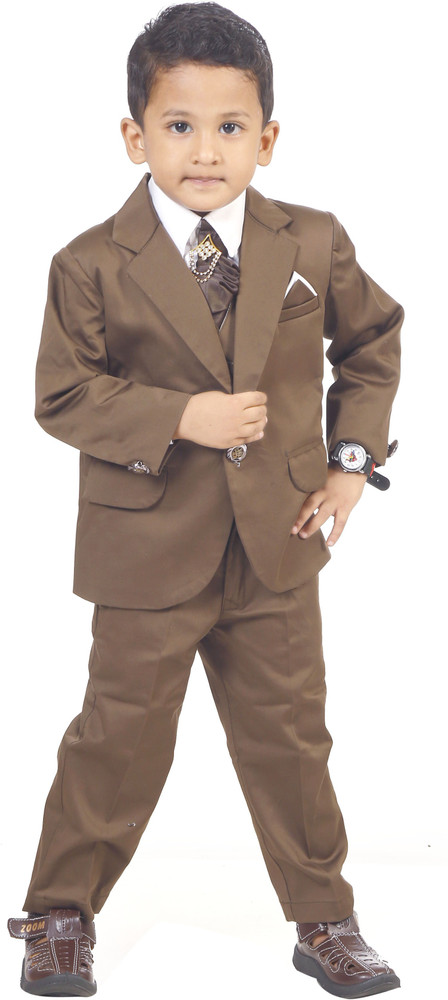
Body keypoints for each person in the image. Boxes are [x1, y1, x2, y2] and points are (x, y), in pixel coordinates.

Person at [7, 3, 404, 996]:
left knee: (291, 737)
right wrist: (181, 415)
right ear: (133, 134)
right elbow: (62, 395)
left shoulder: (311, 240)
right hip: (146, 548)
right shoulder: (90, 262)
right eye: (178, 126)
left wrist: (349, 462)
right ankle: (59, 913)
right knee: (118, 736)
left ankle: (324, 919)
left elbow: (371, 341)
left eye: (231, 127)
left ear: (267, 138)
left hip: (278, 540)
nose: (205, 151)